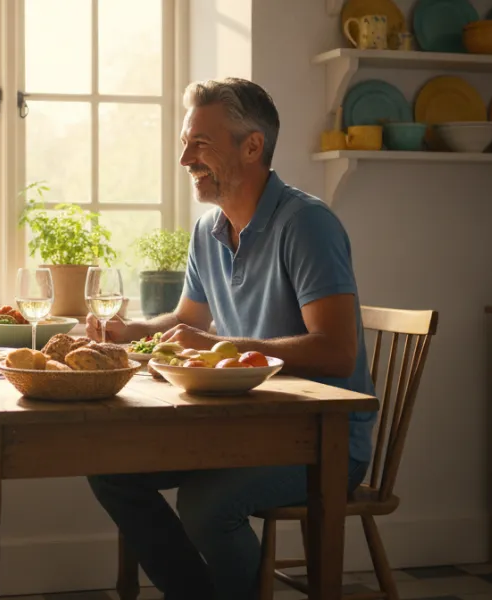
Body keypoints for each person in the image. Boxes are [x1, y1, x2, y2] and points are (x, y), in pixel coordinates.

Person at [84, 78, 376, 599]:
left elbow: (336, 351)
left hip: (321, 439)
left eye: (200, 144)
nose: (185, 160)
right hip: (242, 425)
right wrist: (131, 332)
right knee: (111, 471)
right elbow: (185, 322)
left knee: (206, 506)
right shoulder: (208, 230)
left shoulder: (307, 224)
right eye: (184, 144)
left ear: (252, 145)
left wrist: (224, 346)